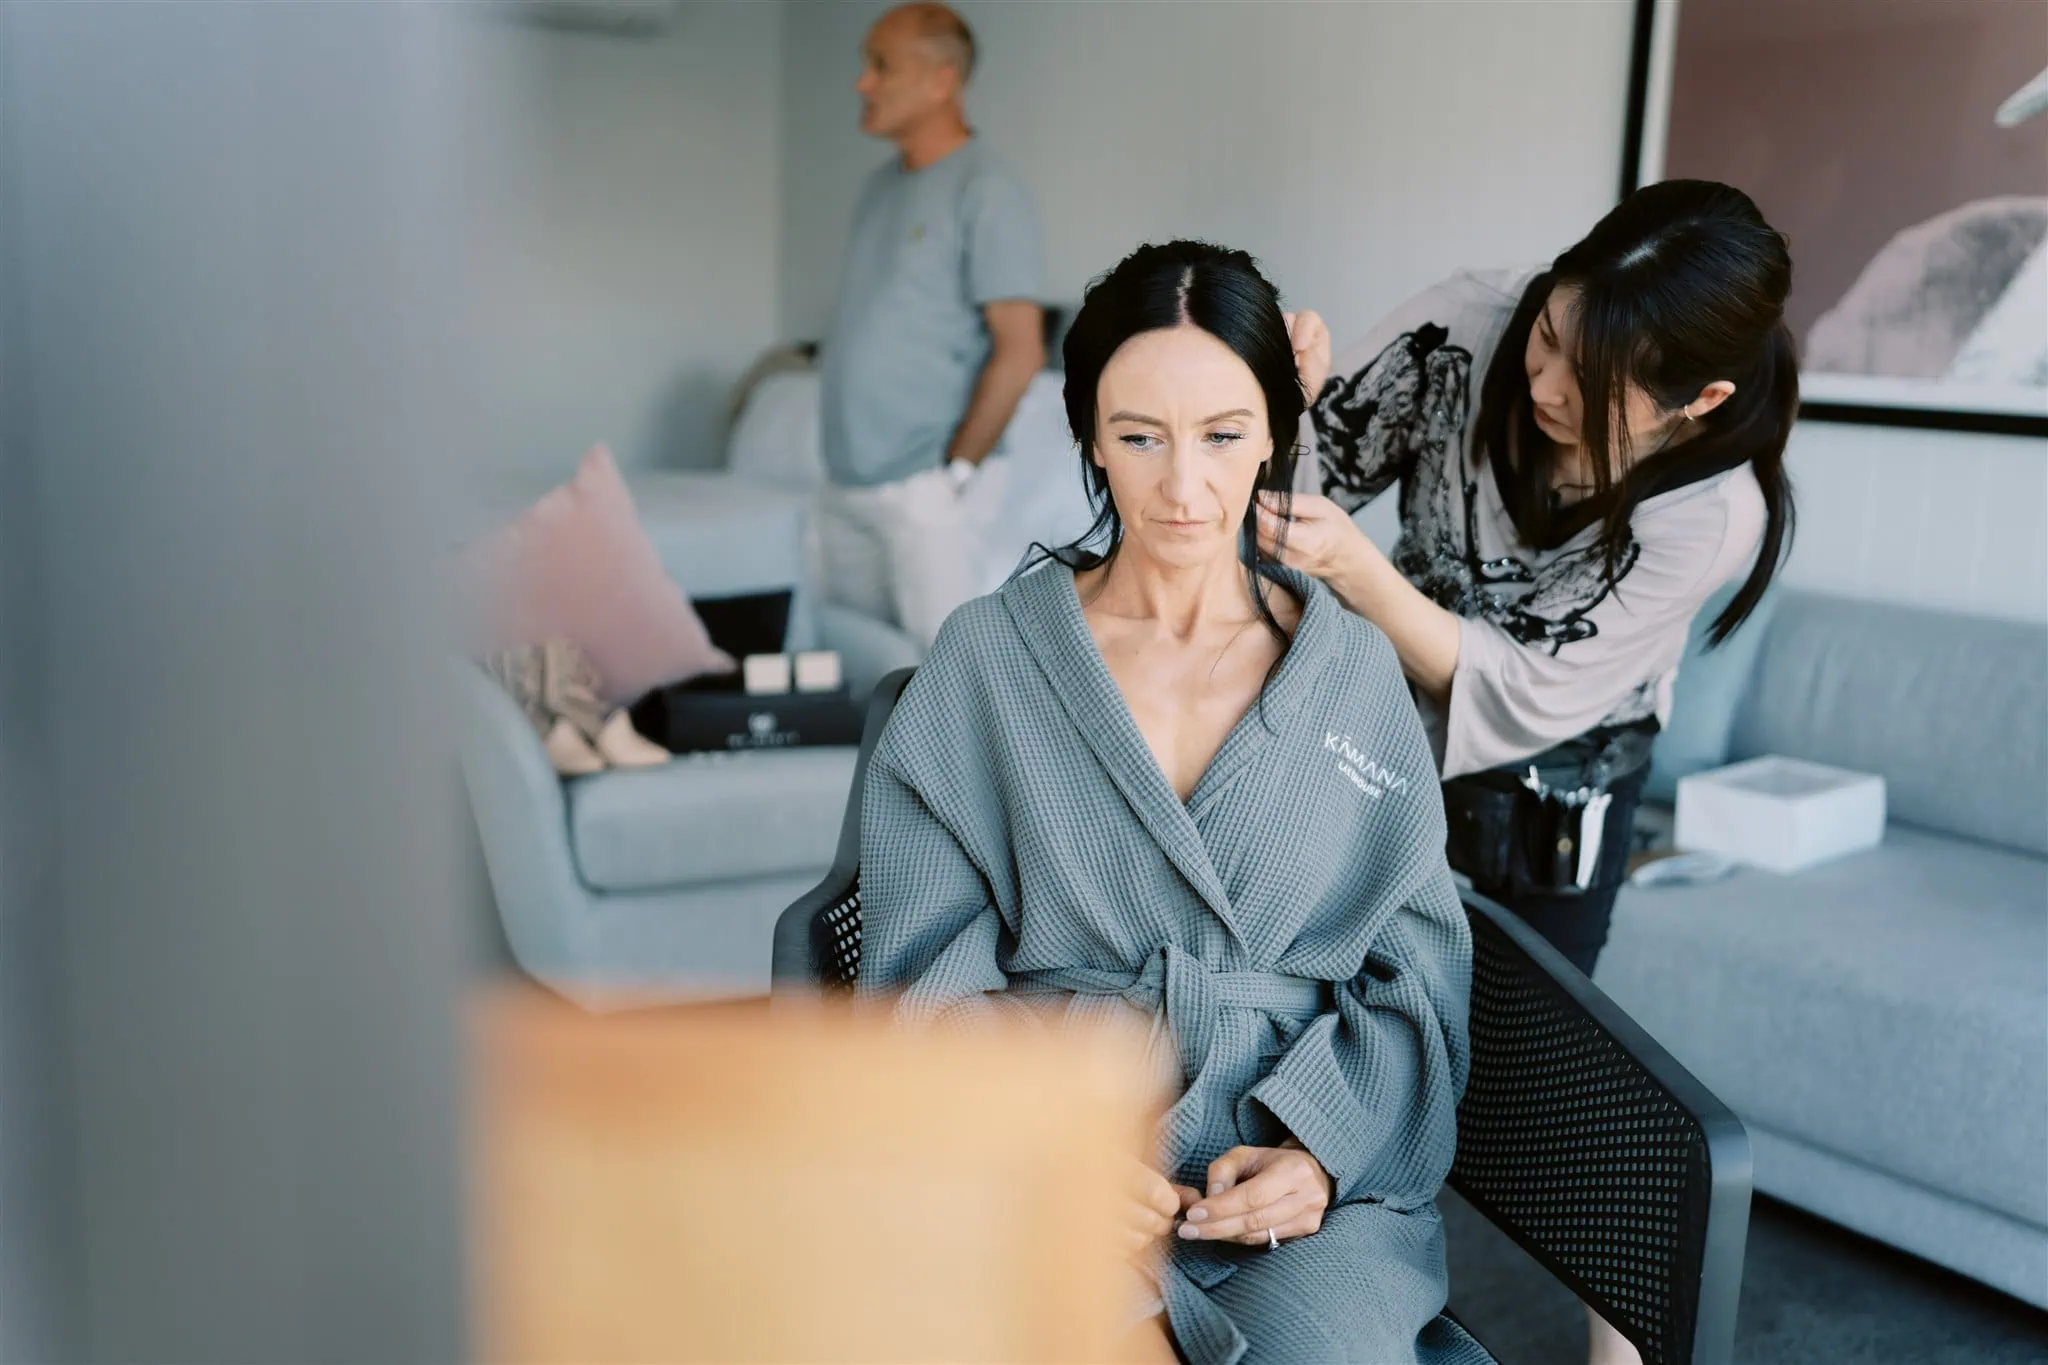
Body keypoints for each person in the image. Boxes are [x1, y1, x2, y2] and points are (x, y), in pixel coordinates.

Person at [855, 241, 1489, 1365]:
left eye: (1223, 435)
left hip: (1288, 1171)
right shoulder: (989, 662)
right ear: (1088, 434)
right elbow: (918, 966)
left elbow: (1413, 967)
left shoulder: (1347, 674)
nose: (1182, 488)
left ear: (1274, 435)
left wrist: (1321, 1154)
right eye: (1139, 436)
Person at [1264, 179, 1797, 1365]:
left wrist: (1358, 573)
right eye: (1550, 334)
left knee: (1544, 1086)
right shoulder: (1470, 323)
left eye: (1592, 385)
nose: (1544, 385)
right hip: (1373, 736)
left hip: (1551, 788)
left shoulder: (1709, 515)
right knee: (1317, 1022)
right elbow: (1296, 485)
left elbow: (1512, 694)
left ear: (1694, 402)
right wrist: (1274, 402)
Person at [816, 2, 1045, 648]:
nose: (863, 83)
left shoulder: (988, 188)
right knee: (857, 663)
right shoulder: (877, 190)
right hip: (847, 478)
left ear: (941, 80)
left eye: (880, 66)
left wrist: (956, 475)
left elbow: (1021, 351)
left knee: (942, 675)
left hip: (924, 484)